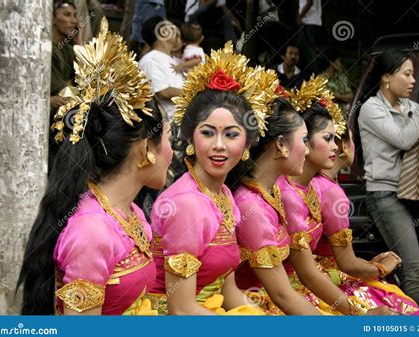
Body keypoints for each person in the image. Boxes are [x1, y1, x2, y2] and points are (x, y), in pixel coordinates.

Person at [17, 19, 173, 315]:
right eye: (168, 138)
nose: (172, 152)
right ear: (145, 150)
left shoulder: (133, 214)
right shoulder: (92, 231)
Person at [146, 43, 274, 315]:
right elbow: (180, 310)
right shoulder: (187, 203)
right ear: (191, 138)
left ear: (247, 144)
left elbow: (229, 292)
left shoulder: (223, 195)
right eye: (207, 133)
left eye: (231, 134)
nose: (219, 145)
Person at [277, 76, 397, 315]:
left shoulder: (310, 188)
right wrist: (380, 270)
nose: (337, 147)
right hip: (283, 293)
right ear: (303, 141)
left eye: (338, 139)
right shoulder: (290, 192)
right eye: (328, 138)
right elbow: (314, 271)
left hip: (305, 286)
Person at [312, 126, 419, 315]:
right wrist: (380, 268)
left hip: (319, 276)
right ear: (345, 147)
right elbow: (346, 264)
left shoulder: (313, 184)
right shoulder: (330, 192)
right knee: (402, 308)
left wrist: (368, 265)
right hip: (323, 280)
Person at [231, 96, 320, 315]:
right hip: (255, 306)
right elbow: (282, 294)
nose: (308, 150)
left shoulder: (273, 190)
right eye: (304, 140)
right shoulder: (250, 205)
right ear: (281, 144)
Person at [358, 49, 419, 308]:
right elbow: (404, 140)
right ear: (386, 78)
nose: (413, 80)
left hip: (416, 192)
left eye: (413, 75)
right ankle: (416, 329)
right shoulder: (371, 108)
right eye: (407, 74)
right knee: (413, 268)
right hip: (386, 195)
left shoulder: (411, 107)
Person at [139, 16, 184, 120]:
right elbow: (163, 92)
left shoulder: (174, 61)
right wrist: (196, 91)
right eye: (170, 26)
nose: (175, 28)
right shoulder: (150, 60)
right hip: (167, 126)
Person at [51, 1, 78, 109]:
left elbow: (81, 82)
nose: (74, 21)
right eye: (67, 15)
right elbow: (63, 91)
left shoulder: (68, 50)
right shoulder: (48, 50)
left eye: (75, 16)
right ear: (53, 18)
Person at [318, 48, 353, 114]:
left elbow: (350, 96)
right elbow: (326, 100)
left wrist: (338, 96)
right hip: (327, 117)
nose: (340, 63)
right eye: (338, 61)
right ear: (331, 62)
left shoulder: (341, 77)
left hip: (343, 117)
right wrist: (343, 98)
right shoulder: (321, 79)